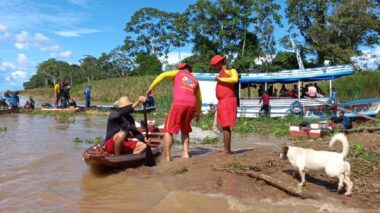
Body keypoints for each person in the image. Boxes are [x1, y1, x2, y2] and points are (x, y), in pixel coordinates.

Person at [146, 63, 201, 161]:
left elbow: (163, 75)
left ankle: (167, 157)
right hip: (192, 105)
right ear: (190, 70)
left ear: (181, 68)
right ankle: (185, 154)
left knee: (169, 130)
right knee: (185, 130)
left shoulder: (179, 73)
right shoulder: (195, 80)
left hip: (179, 103)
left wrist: (152, 87)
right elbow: (199, 98)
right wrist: (198, 112)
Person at [209, 55, 238, 154]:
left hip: (228, 100)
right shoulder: (221, 72)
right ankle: (226, 149)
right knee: (223, 125)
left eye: (214, 65)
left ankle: (227, 150)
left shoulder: (230, 70)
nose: (213, 68)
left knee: (226, 125)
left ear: (219, 63)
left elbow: (235, 79)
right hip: (222, 101)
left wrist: (220, 79)